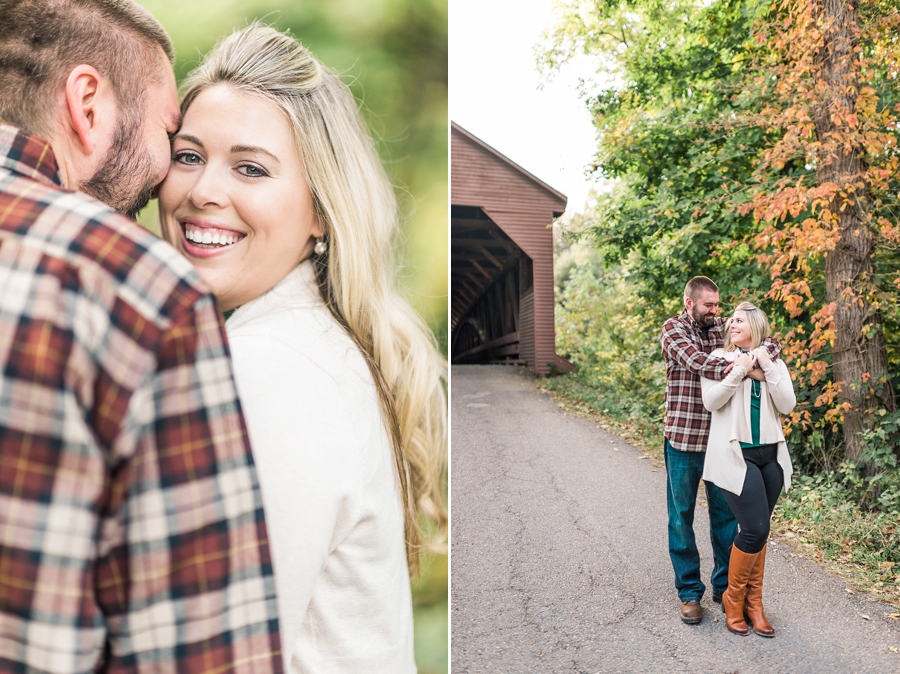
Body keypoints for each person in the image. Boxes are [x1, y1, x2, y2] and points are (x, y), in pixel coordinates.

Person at [0, 2, 283, 672]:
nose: (172, 185)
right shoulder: (133, 288)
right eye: (172, 140)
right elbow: (202, 656)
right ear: (88, 104)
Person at [158, 25, 448, 673]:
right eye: (188, 156)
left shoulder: (271, 368)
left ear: (320, 210)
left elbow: (217, 655)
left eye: (250, 168)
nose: (203, 190)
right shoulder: (302, 344)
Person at [660, 276, 779, 625]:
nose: (717, 311)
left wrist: (757, 359)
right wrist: (744, 367)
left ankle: (726, 589)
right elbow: (699, 362)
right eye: (709, 305)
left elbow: (768, 341)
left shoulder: (717, 329)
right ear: (689, 303)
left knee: (726, 517)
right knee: (681, 516)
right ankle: (689, 592)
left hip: (721, 442)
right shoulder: (673, 330)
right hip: (683, 439)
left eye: (717, 305)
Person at [700, 301, 795, 637]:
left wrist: (765, 366)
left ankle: (755, 603)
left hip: (770, 455)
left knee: (760, 530)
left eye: (740, 320)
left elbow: (787, 403)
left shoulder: (774, 362)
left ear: (756, 326)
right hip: (735, 456)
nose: (732, 324)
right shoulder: (716, 360)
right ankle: (734, 597)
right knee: (754, 528)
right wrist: (739, 370)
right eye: (732, 321)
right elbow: (711, 402)